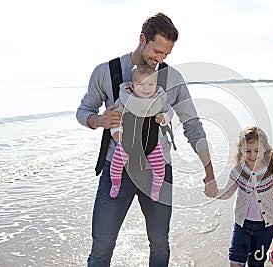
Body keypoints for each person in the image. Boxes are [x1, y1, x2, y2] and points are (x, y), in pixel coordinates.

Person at [76, 12, 218, 267]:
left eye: (166, 55)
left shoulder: (172, 78)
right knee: (101, 246)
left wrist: (209, 171)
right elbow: (83, 112)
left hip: (158, 171)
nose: (160, 60)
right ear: (142, 39)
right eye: (156, 52)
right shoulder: (105, 72)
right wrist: (100, 121)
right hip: (116, 170)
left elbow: (192, 124)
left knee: (160, 244)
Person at [210, 126, 273, 267]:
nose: (252, 155)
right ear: (241, 151)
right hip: (241, 226)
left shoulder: (272, 172)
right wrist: (214, 192)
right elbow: (227, 193)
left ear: (265, 150)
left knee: (256, 263)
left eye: (257, 151)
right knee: (235, 262)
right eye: (248, 151)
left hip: (265, 228)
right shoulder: (238, 171)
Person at [110, 64, 173, 201]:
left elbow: (169, 111)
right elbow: (115, 115)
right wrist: (116, 131)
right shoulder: (124, 99)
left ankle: (155, 189)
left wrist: (164, 118)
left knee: (160, 169)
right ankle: (115, 184)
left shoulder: (158, 99)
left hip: (151, 143)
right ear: (132, 86)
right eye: (141, 84)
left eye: (151, 84)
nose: (146, 88)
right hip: (127, 141)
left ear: (156, 85)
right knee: (116, 165)